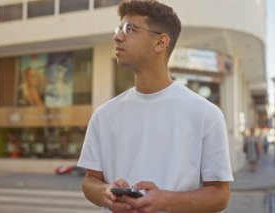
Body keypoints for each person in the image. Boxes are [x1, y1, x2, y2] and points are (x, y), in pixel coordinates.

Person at [77, 1, 233, 212]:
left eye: (130, 29)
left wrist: (166, 201)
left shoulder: (206, 114)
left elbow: (220, 195)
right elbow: (90, 181)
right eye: (118, 29)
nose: (117, 36)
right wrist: (106, 193)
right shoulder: (104, 115)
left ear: (160, 42)